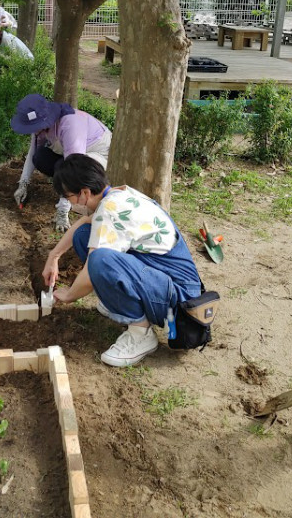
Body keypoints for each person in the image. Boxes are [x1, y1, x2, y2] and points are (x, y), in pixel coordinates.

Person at [42, 154, 202, 367]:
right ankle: (123, 305)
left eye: (68, 196)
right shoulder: (117, 195)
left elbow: (92, 269)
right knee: (84, 235)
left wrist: (69, 295)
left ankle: (140, 332)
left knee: (100, 260)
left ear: (84, 193)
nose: (68, 202)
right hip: (162, 281)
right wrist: (54, 256)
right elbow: (82, 223)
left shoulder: (109, 211)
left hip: (180, 301)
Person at [11, 94, 111, 230]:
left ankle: (72, 195)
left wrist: (62, 211)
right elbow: (33, 152)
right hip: (72, 154)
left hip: (97, 158)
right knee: (40, 157)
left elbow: (75, 168)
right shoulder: (41, 126)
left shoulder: (70, 124)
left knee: (62, 168)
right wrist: (23, 183)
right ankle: (66, 190)